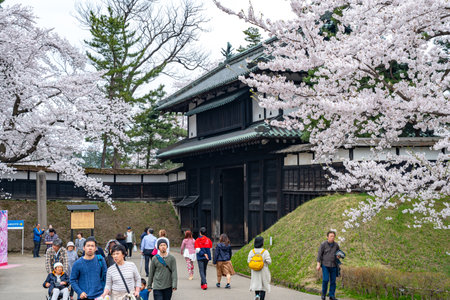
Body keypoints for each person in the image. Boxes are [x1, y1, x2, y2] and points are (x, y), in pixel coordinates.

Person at [317, 231, 341, 300]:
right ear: (327, 237)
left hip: (334, 265)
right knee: (325, 280)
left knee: (333, 281)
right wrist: (318, 264)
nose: (332, 238)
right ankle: (323, 294)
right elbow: (319, 255)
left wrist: (338, 256)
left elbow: (338, 254)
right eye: (331, 236)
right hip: (325, 265)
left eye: (333, 236)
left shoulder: (336, 245)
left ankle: (331, 295)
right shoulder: (323, 244)